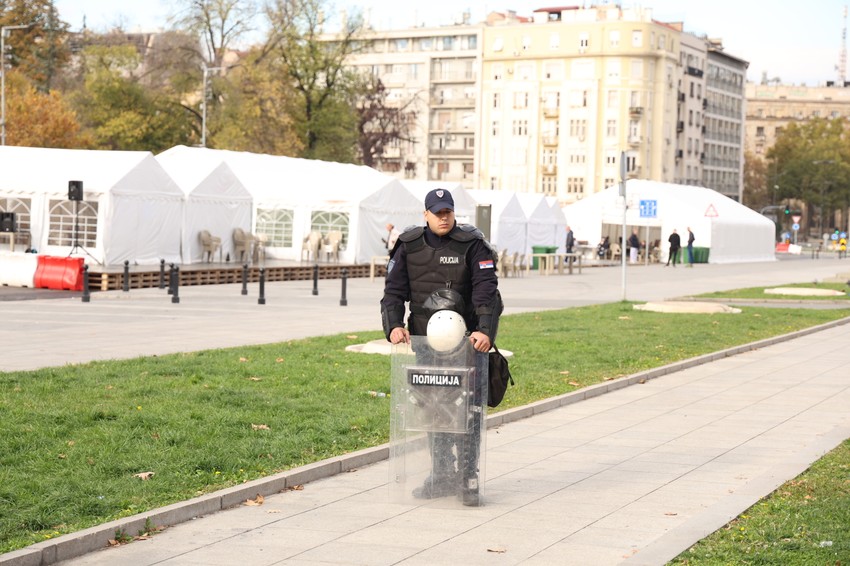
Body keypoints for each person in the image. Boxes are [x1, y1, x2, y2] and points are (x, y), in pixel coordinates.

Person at [380, 188, 501, 506]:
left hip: (467, 345)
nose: (443, 216)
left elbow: (487, 291)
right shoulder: (408, 246)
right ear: (426, 214)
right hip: (425, 344)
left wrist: (485, 331)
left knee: (468, 411)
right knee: (434, 410)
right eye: (437, 212)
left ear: (454, 213)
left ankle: (467, 475)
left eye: (448, 211)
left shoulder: (473, 244)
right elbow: (393, 292)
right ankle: (442, 473)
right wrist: (393, 325)